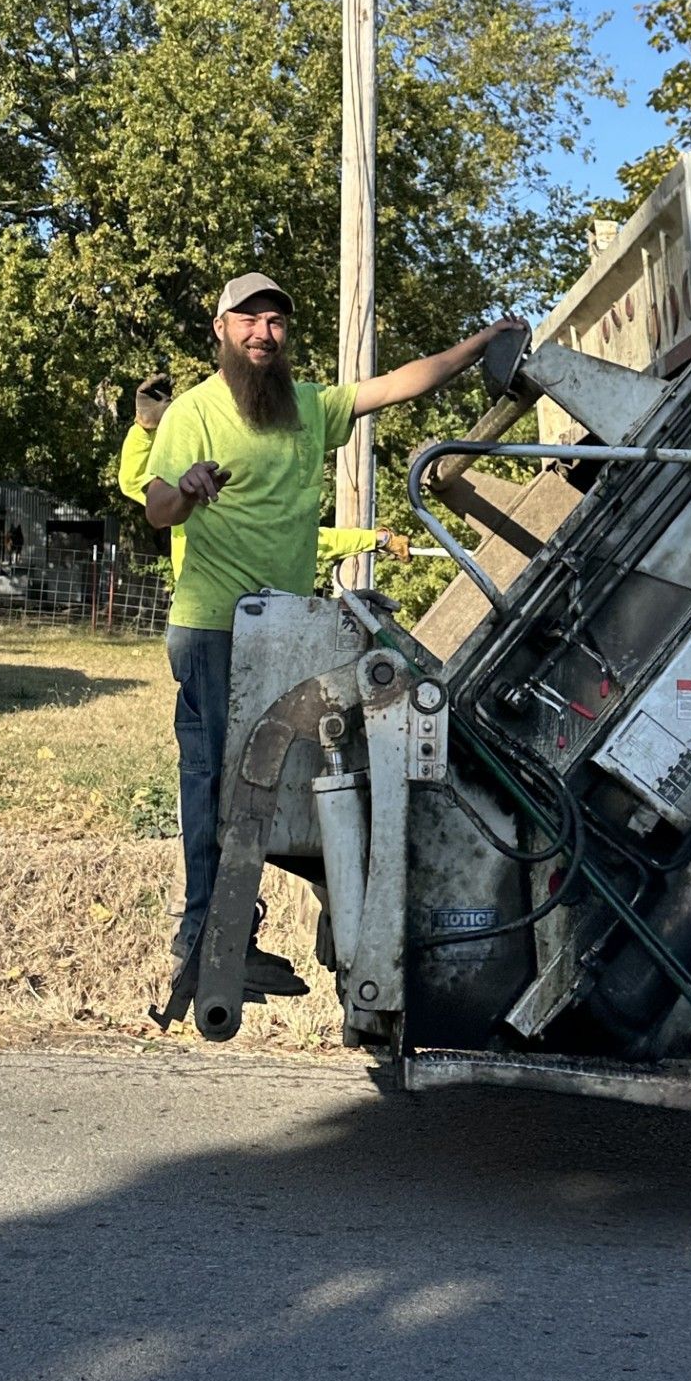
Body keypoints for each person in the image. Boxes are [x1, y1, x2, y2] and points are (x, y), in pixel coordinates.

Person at [142, 270, 526, 993]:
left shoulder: (307, 407)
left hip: (284, 632)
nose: (262, 332)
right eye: (247, 320)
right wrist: (187, 491)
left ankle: (320, 924)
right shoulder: (193, 411)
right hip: (214, 630)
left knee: (299, 775)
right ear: (220, 330)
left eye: (275, 322)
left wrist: (480, 344)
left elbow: (401, 384)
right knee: (216, 783)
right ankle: (203, 941)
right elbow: (156, 508)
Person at [118, 374, 410, 583]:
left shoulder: (266, 505)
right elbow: (136, 483)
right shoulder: (189, 491)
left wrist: (373, 539)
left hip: (264, 614)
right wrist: (144, 430)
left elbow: (310, 541)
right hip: (206, 618)